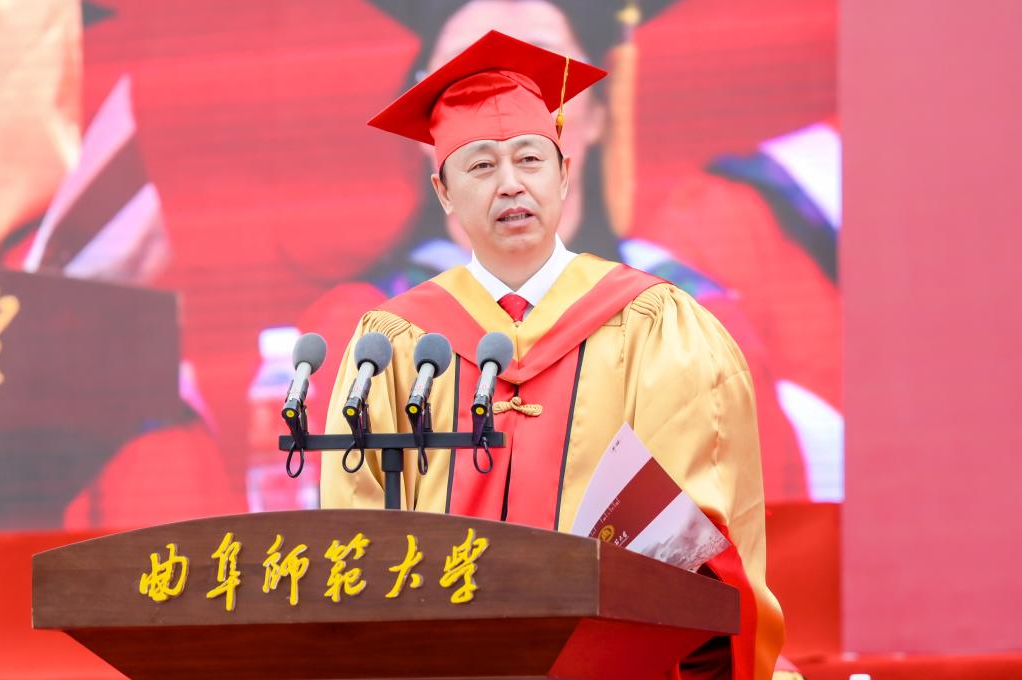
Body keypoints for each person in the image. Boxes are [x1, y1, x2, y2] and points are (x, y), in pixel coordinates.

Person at [320, 31, 783, 679]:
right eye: (481, 166)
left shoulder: (652, 323)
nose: (510, 184)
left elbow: (695, 527)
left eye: (530, 159)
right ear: (443, 192)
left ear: (565, 172)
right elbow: (356, 531)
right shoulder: (396, 343)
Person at [305, 0, 809, 500]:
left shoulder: (681, 321)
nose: (500, 104)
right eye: (466, 78)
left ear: (598, 116)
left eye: (537, 74)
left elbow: (749, 511)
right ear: (426, 136)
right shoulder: (370, 332)